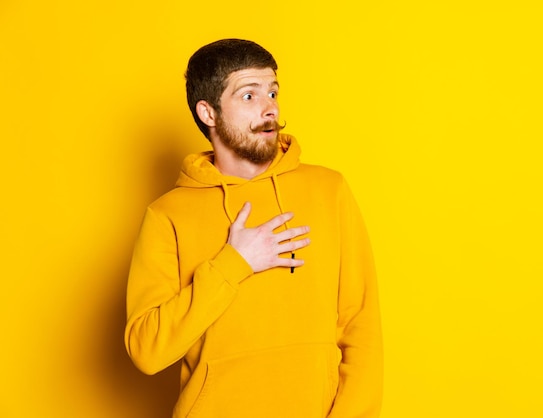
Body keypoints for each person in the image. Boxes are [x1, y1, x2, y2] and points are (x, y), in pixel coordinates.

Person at [124, 38, 383, 418]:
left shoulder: (329, 190)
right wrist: (234, 263)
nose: (270, 109)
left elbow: (361, 326)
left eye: (273, 92)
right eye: (249, 96)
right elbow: (147, 351)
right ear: (208, 113)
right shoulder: (167, 215)